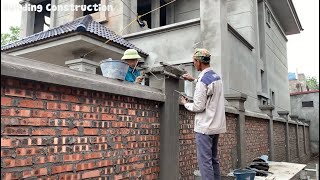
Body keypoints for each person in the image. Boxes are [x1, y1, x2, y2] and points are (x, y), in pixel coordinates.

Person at [181, 48, 226, 180]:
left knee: (205, 162)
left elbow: (198, 106)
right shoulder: (216, 77)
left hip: (205, 127)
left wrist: (185, 104)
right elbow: (208, 90)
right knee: (213, 159)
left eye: (194, 61)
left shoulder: (203, 81)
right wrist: (193, 80)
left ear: (199, 62)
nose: (194, 64)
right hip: (215, 126)